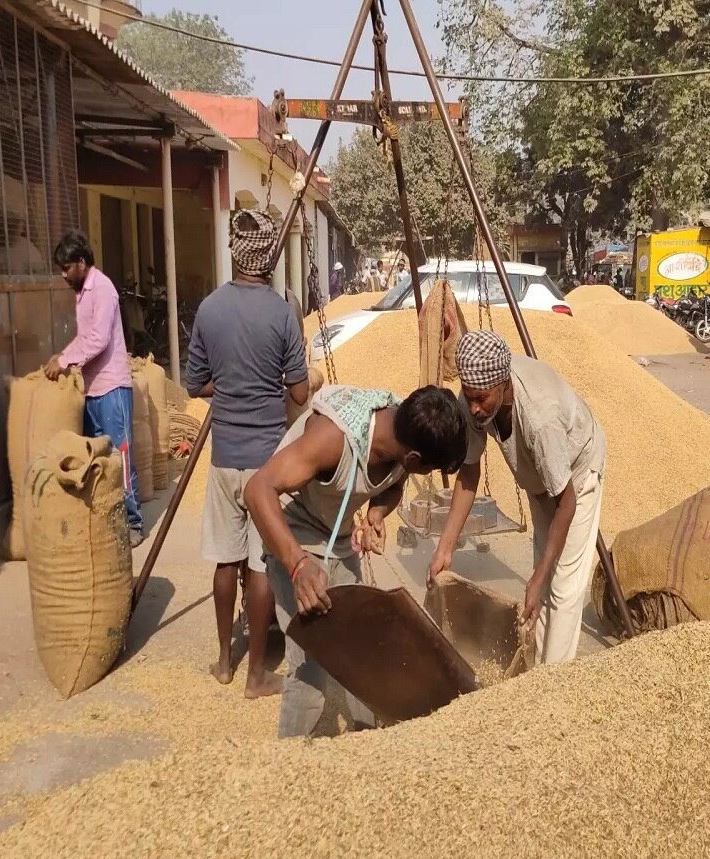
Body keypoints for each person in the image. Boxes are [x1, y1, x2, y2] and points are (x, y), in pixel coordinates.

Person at [244, 384, 468, 737]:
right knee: (311, 664)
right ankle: (287, 769)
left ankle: (366, 747)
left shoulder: (405, 434)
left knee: (365, 647)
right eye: (425, 469)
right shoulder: (333, 439)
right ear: (413, 458)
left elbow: (393, 483)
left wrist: (377, 513)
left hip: (339, 534)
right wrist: (298, 565)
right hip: (293, 534)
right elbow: (258, 489)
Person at [185, 208, 310, 698]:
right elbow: (299, 394)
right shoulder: (280, 313)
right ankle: (257, 675)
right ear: (270, 259)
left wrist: (232, 384)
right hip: (266, 463)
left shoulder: (209, 309)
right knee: (260, 564)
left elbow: (196, 383)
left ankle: (223, 661)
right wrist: (268, 383)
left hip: (223, 459)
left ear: (234, 254)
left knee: (224, 559)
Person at [428, 331, 606, 665]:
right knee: (542, 572)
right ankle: (537, 668)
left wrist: (538, 576)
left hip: (576, 474)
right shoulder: (473, 401)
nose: (475, 408)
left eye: (482, 398)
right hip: (542, 478)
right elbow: (468, 474)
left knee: (562, 583)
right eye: (469, 397)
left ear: (503, 384)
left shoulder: (540, 420)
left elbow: (566, 503)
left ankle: (554, 683)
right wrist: (446, 547)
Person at [45, 231, 143, 547]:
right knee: (96, 458)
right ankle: (104, 516)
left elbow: (99, 339)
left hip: (112, 386)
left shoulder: (103, 290)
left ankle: (133, 522)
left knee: (120, 454)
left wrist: (65, 360)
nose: (63, 275)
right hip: (92, 389)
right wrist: (63, 357)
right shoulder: (83, 293)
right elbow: (85, 337)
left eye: (66, 267)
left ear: (82, 263)